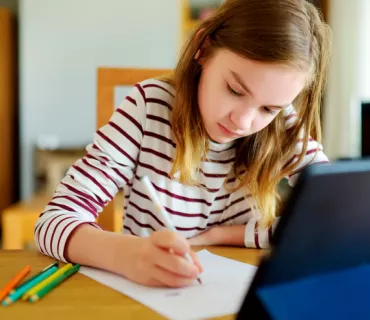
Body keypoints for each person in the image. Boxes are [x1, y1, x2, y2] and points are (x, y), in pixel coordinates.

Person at [33, 0, 331, 288]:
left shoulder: (282, 125)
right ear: (203, 48)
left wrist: (224, 235)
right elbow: (52, 222)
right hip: (152, 295)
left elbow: (334, 224)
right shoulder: (148, 108)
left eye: (268, 109)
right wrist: (126, 255)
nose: (242, 122)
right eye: (235, 90)